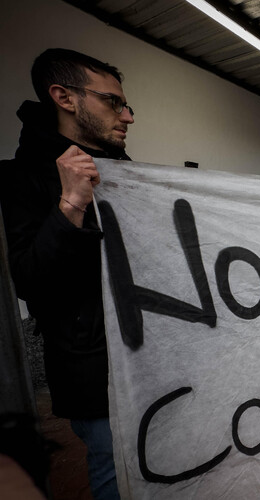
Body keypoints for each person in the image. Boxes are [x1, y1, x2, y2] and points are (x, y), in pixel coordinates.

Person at [0, 48, 135, 500]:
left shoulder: (124, 171)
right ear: (64, 97)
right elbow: (30, 280)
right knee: (115, 470)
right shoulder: (25, 178)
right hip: (94, 368)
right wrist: (70, 204)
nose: (128, 115)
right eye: (113, 102)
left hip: (148, 357)